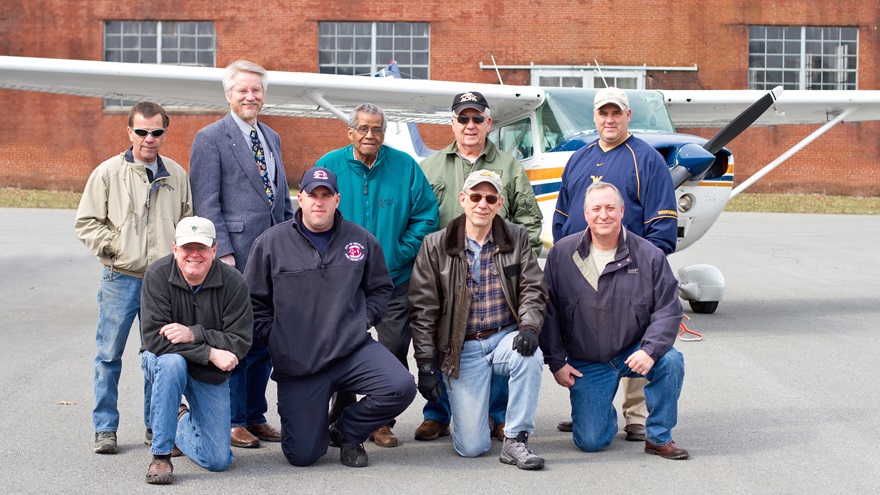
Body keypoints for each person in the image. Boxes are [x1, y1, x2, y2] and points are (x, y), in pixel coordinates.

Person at [245, 167, 416, 468]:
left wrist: (361, 320)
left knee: (400, 386)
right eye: (313, 195)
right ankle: (314, 427)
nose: (319, 202)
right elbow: (253, 301)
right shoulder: (271, 243)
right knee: (303, 455)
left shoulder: (360, 240)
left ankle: (348, 430)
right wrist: (275, 336)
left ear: (337, 199)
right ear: (301, 198)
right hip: (300, 362)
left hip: (351, 350)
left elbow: (381, 288)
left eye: (326, 195)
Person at [415, 91, 543, 442]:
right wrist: (425, 267)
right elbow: (419, 220)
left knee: (499, 331)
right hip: (443, 275)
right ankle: (438, 415)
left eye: (477, 119)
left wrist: (517, 266)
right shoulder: (430, 166)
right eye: (463, 118)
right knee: (446, 337)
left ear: (488, 123)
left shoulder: (510, 165)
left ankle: (500, 417)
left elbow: (529, 219)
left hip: (494, 269)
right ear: (453, 123)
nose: (470, 125)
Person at [551, 87, 678, 440]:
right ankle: (590, 408)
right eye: (603, 113)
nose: (609, 119)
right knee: (585, 338)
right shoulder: (579, 158)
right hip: (581, 265)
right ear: (594, 117)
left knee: (636, 339)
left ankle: (636, 416)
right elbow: (562, 215)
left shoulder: (646, 158)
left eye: (616, 113)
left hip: (629, 268)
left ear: (627, 116)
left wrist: (643, 270)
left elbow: (662, 225)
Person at [316, 103, 438, 447]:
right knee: (340, 349)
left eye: (377, 129)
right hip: (341, 282)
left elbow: (427, 214)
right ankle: (340, 414)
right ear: (350, 132)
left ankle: (380, 421)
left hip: (394, 280)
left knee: (392, 349)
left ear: (384, 132)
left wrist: (400, 252)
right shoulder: (330, 166)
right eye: (363, 128)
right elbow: (314, 213)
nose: (370, 135)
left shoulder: (404, 167)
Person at [75, 101, 192, 454]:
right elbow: (87, 222)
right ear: (129, 132)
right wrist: (116, 248)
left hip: (163, 284)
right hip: (121, 278)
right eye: (141, 131)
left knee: (156, 357)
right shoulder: (108, 173)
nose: (149, 138)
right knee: (109, 355)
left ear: (164, 133)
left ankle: (154, 426)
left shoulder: (176, 174)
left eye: (156, 132)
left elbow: (188, 222)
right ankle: (105, 428)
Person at [409, 170, 547, 470]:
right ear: (463, 200)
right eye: (475, 196)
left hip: (504, 336)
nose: (482, 204)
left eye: (490, 198)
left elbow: (532, 288)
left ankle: (516, 439)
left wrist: (529, 327)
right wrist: (424, 365)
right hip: (464, 348)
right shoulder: (435, 245)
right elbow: (423, 310)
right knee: (471, 448)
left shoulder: (517, 236)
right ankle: (477, 415)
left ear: (500, 204)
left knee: (529, 354)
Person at [541, 181, 688, 460]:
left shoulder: (649, 256)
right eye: (596, 208)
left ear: (622, 211)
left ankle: (658, 436)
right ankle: (596, 408)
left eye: (610, 208)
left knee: (670, 360)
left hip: (632, 351)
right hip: (587, 361)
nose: (603, 215)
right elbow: (548, 312)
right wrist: (557, 362)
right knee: (591, 441)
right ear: (585, 214)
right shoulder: (562, 254)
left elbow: (668, 309)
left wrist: (650, 350)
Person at [190, 59, 294, 449]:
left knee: (265, 338)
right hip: (235, 258)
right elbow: (205, 202)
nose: (250, 96)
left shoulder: (271, 136)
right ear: (228, 94)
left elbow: (280, 199)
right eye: (243, 90)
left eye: (256, 90)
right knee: (235, 340)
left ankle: (254, 415)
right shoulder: (210, 137)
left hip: (273, 258)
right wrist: (224, 256)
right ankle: (233, 419)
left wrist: (292, 243)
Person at [139, 217, 253, 484]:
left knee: (217, 460)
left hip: (209, 373)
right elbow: (155, 341)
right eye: (187, 247)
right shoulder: (156, 275)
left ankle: (178, 420)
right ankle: (161, 455)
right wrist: (210, 352)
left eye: (201, 248)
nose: (194, 255)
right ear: (175, 248)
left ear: (214, 250)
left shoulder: (234, 282)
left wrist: (193, 333)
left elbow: (240, 342)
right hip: (166, 361)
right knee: (171, 364)